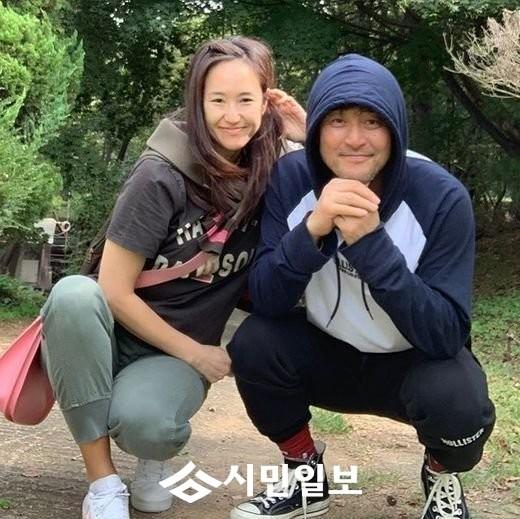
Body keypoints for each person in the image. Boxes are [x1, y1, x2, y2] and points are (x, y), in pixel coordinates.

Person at [40, 36, 306, 519]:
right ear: (197, 101)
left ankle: (151, 456)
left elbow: (358, 181)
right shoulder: (160, 175)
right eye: (217, 100)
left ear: (267, 101)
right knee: (73, 295)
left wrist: (307, 131)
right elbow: (113, 290)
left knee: (150, 426)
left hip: (170, 356)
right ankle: (102, 483)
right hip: (111, 333)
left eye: (246, 100)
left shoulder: (274, 172)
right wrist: (199, 354)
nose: (231, 115)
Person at [227, 53, 496, 519]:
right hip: (327, 354)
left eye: (373, 121)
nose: (355, 138)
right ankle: (305, 475)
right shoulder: (291, 179)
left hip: (411, 364)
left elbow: (447, 334)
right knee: (254, 343)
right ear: (316, 130)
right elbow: (267, 298)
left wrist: (370, 245)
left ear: (396, 129)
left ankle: (440, 473)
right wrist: (313, 230)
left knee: (460, 402)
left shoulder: (441, 197)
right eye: (337, 121)